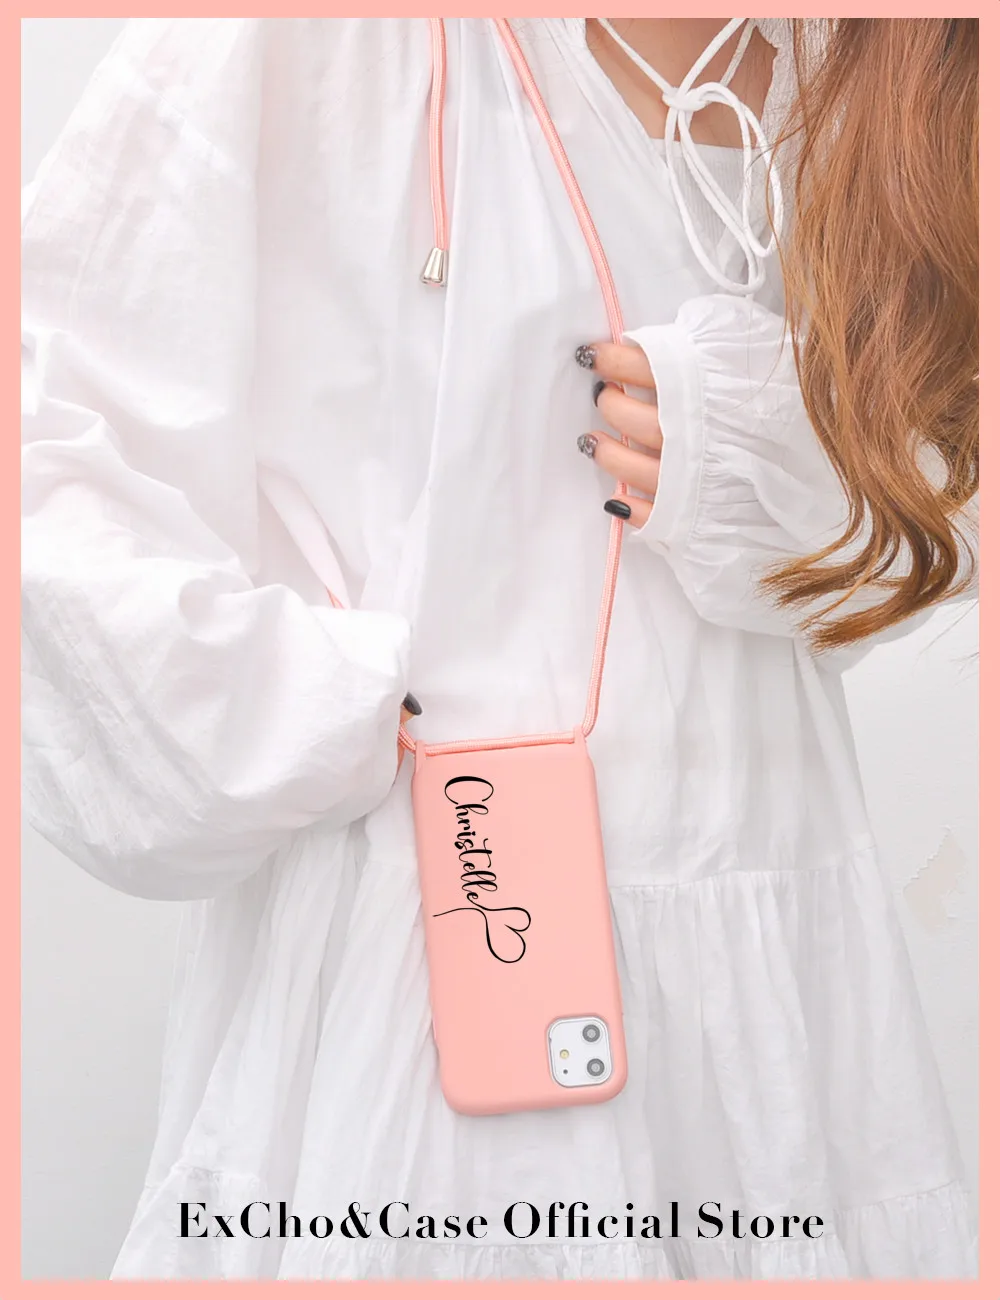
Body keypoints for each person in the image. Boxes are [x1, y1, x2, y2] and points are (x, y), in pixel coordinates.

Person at [21, 16, 978, 1281]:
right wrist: (314, 707)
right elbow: (52, 466)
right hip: (417, 963)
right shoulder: (312, 46)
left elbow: (932, 507)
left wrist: (806, 457)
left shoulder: (893, 65)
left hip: (778, 978)